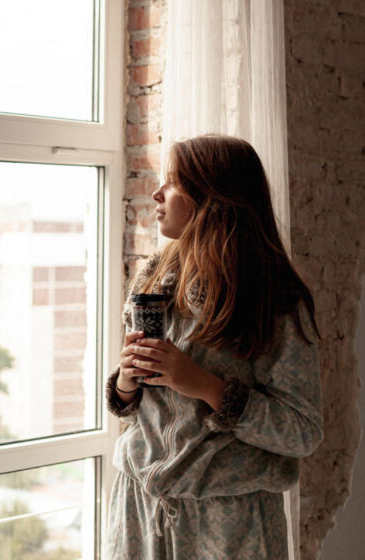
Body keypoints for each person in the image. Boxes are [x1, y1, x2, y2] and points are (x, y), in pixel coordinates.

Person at [106, 134, 323, 559]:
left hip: (231, 523)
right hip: (139, 511)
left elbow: (303, 431)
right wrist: (127, 381)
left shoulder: (274, 300)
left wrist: (207, 386)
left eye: (173, 182)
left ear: (212, 198)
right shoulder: (153, 278)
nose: (157, 192)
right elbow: (137, 409)